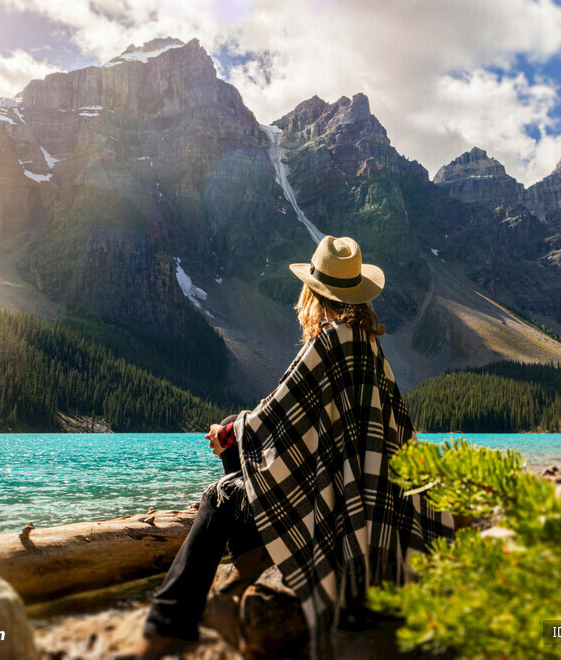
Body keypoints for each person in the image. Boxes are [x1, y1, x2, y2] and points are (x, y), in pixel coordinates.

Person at [121, 235, 454, 659]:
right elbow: (307, 420)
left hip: (330, 512)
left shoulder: (330, 342)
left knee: (218, 498)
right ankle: (250, 562)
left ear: (314, 294)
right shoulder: (369, 346)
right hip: (373, 510)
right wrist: (235, 430)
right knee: (235, 431)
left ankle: (168, 626)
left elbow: (273, 415)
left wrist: (226, 435)